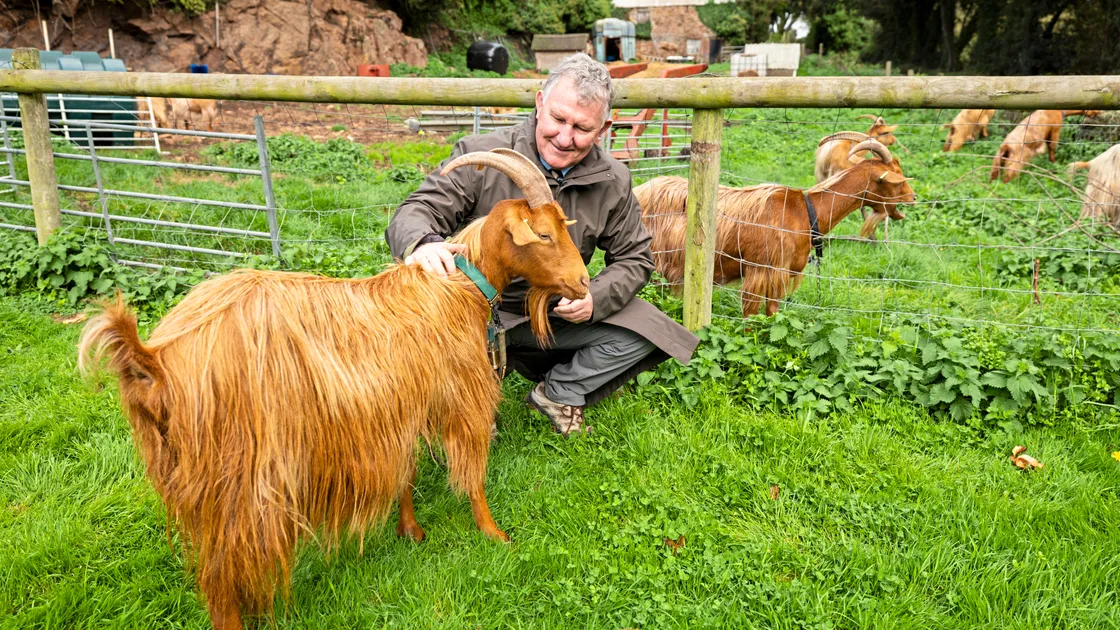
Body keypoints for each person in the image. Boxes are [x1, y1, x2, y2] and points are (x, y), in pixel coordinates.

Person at [385, 53, 698, 436]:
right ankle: (463, 386)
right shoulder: (484, 156)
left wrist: (594, 298)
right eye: (558, 119)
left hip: (547, 316)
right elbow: (416, 210)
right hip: (472, 317)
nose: (565, 138)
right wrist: (422, 243)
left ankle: (559, 391)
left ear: (604, 127)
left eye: (582, 128)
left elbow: (635, 258)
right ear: (539, 103)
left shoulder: (613, 179)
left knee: (653, 330)